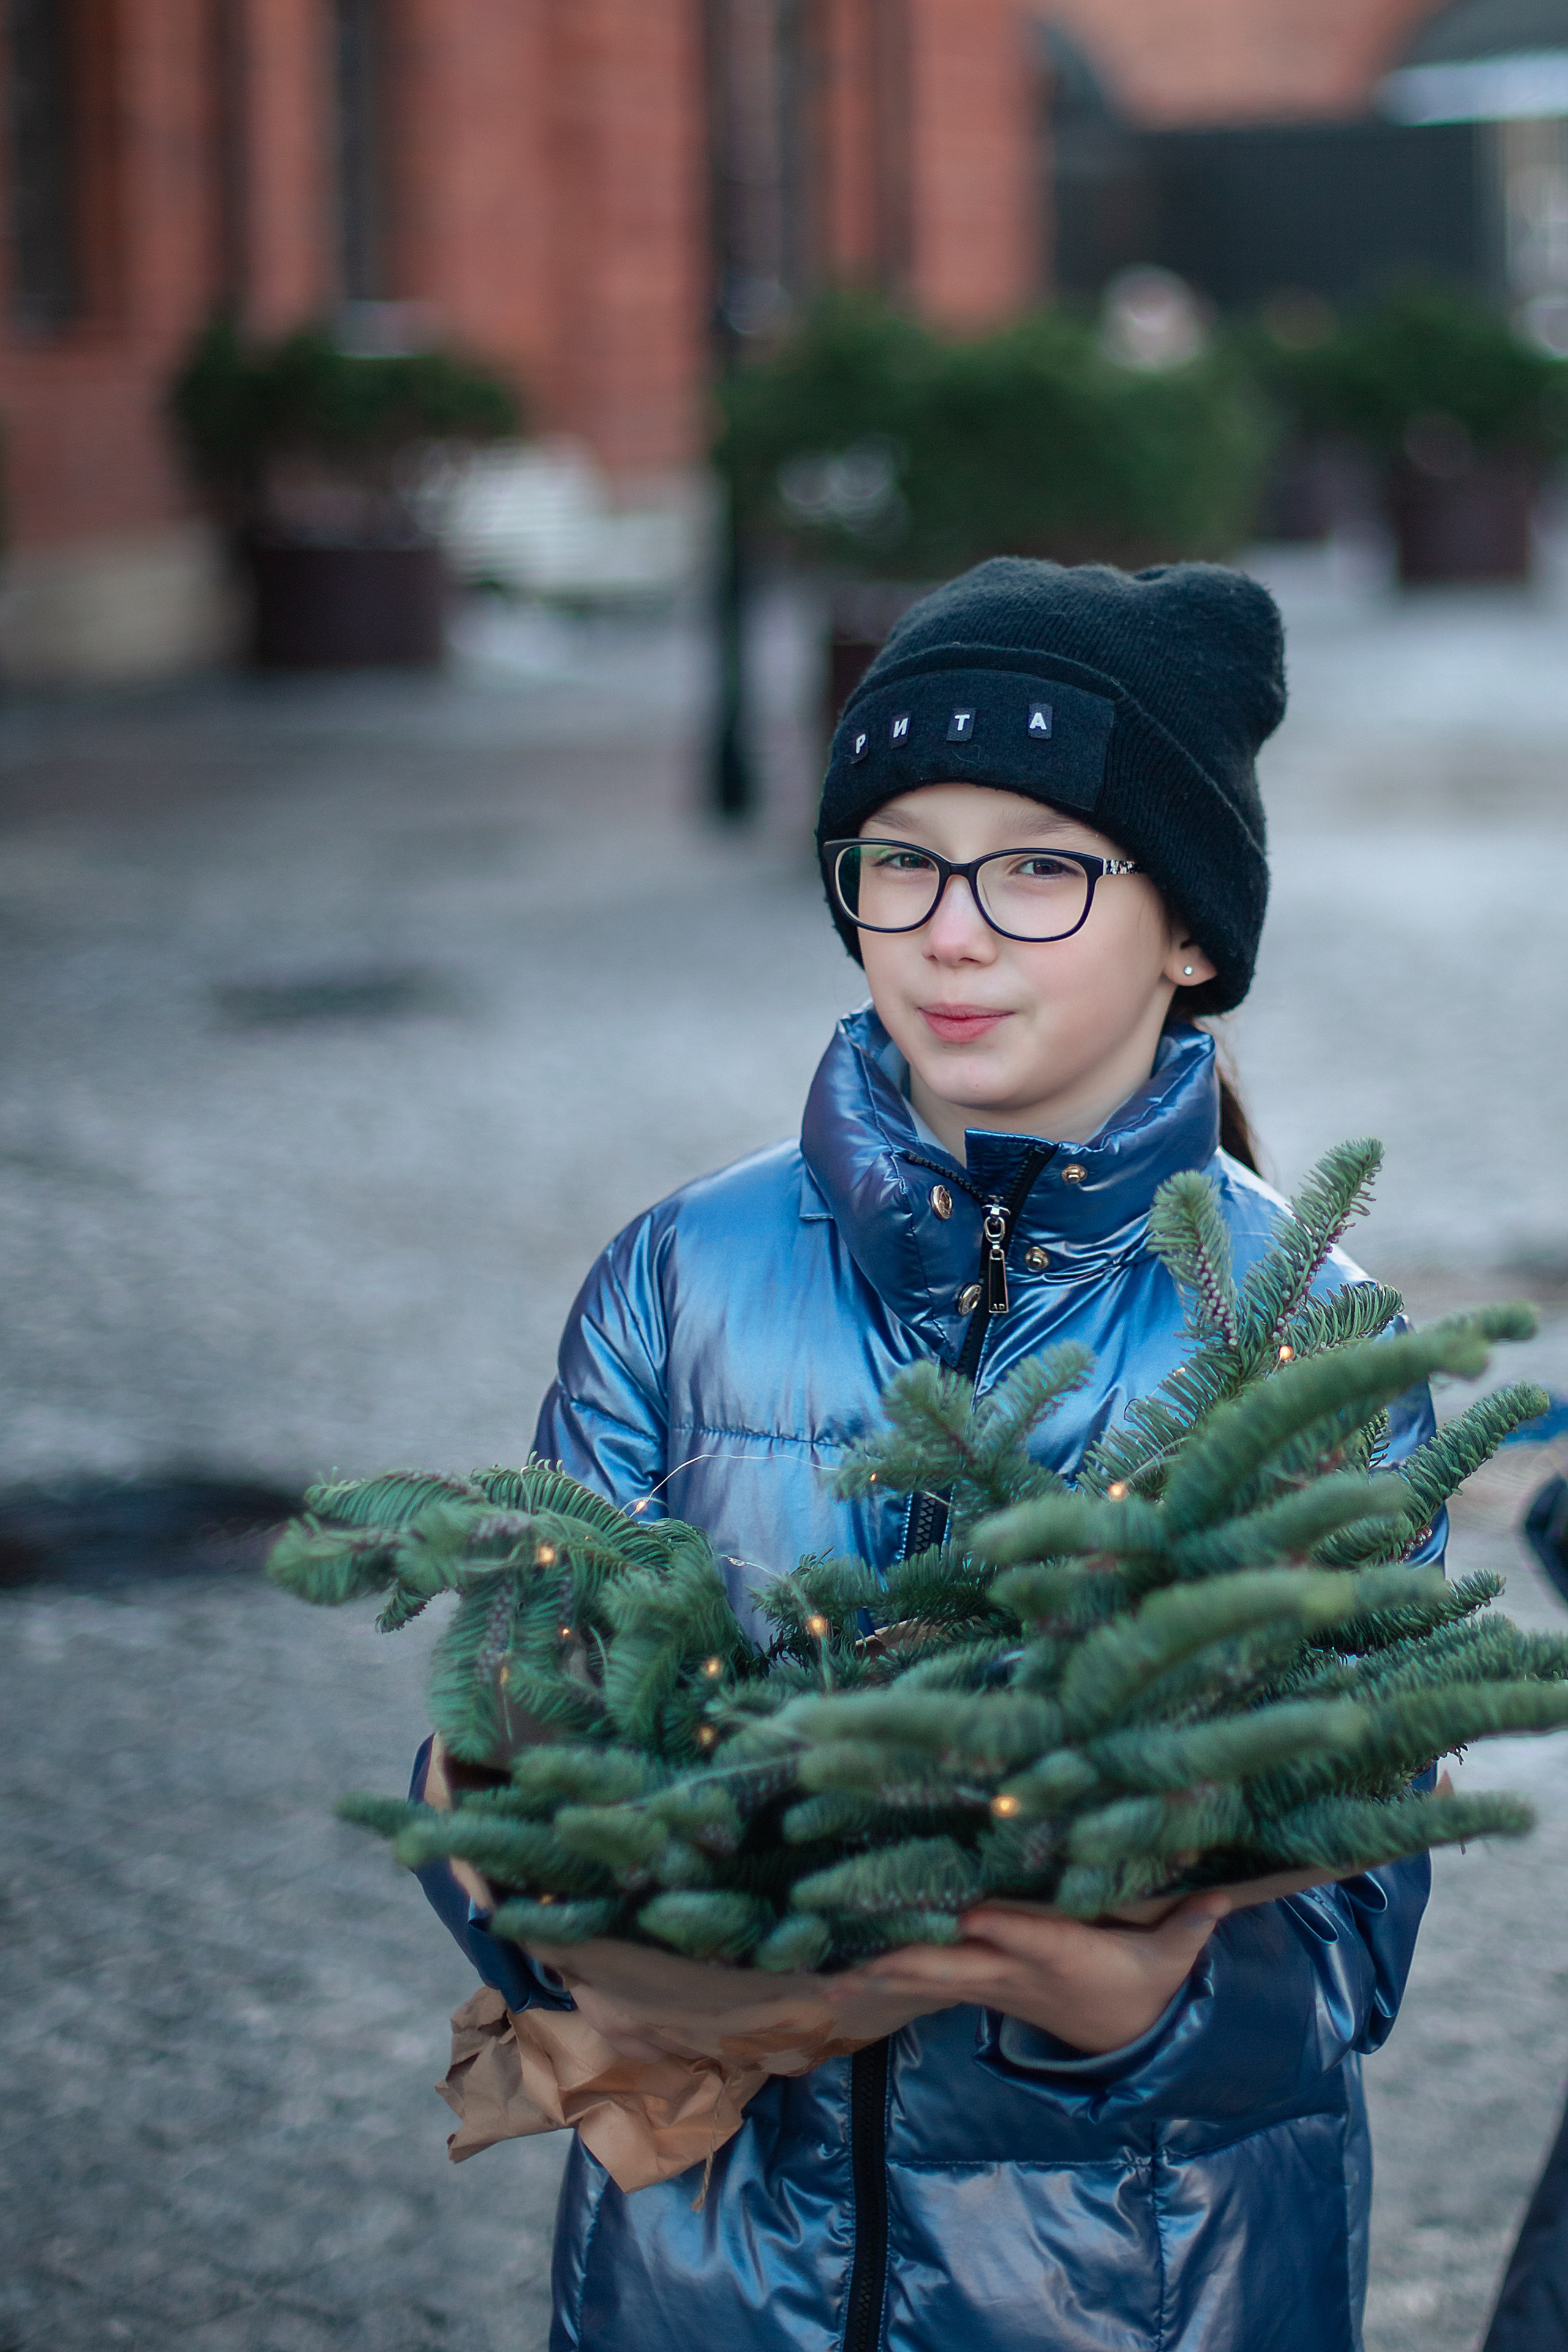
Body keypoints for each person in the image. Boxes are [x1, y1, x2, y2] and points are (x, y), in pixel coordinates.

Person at [415, 559, 1441, 2352]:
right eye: (900, 861)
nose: (950, 934)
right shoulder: (678, 1277)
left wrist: (1139, 2006)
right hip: (710, 2280)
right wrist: (562, 1883)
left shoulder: (1306, 1346)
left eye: (1039, 868)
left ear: (1192, 934)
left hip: (1147, 2289)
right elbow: (514, 1722)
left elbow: (1351, 1941)